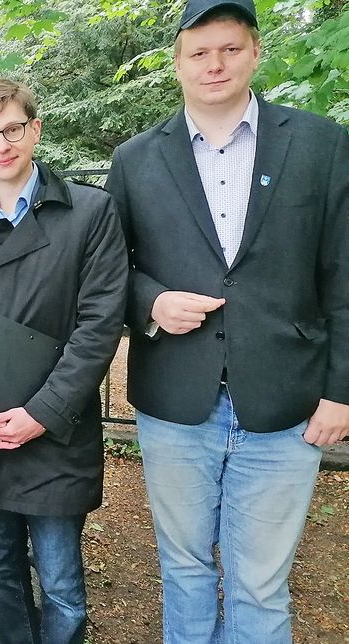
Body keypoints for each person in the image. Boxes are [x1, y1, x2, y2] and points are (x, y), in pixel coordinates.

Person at [105, 0, 349, 641]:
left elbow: (343, 275)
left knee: (261, 584)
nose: (215, 64)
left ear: (255, 52)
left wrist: (341, 391)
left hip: (286, 403)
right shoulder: (135, 160)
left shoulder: (321, 145)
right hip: (175, 405)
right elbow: (109, 273)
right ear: (177, 63)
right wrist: (152, 302)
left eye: (230, 49)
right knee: (183, 569)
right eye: (198, 52)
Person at [0, 77, 127, 644]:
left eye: (11, 129)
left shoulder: (89, 212)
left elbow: (99, 324)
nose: (0, 145)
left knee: (60, 582)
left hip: (53, 431)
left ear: (34, 129)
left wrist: (42, 411)